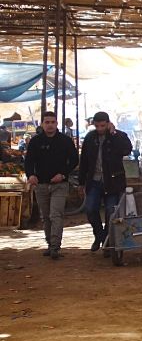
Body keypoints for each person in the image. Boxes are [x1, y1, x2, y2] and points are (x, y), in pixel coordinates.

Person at [24, 111, 79, 259]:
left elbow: (74, 159)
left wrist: (63, 174)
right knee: (46, 217)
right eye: (47, 122)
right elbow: (28, 161)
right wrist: (31, 175)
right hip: (41, 185)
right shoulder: (35, 141)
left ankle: (55, 246)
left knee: (56, 214)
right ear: (42, 124)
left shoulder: (65, 141)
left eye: (52, 122)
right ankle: (50, 243)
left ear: (56, 123)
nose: (50, 125)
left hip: (60, 184)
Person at [78, 111, 133, 252]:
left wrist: (114, 134)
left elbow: (127, 149)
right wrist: (81, 182)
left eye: (103, 126)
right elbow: (84, 161)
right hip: (94, 181)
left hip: (113, 182)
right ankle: (99, 235)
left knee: (111, 212)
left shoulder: (117, 136)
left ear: (108, 123)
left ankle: (108, 241)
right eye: (97, 126)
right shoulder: (90, 138)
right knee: (90, 209)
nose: (100, 129)